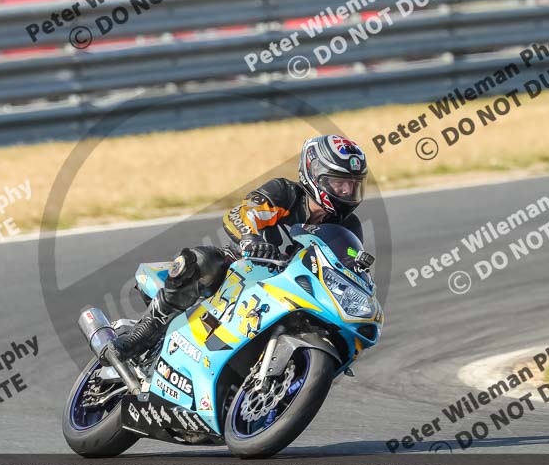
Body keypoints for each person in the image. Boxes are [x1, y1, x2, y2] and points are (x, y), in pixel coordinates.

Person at [112, 134, 368, 360]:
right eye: (340, 182)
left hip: (293, 292)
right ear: (315, 176)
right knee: (200, 260)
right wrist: (251, 239)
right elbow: (242, 214)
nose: (348, 191)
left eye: (354, 184)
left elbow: (346, 268)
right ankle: (147, 329)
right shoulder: (284, 193)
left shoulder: (349, 227)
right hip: (244, 270)